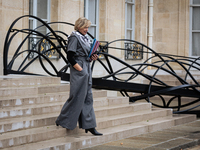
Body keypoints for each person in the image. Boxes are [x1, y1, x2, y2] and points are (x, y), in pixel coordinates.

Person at [55, 17, 103, 136]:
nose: (87, 29)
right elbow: (70, 57)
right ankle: (63, 120)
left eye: (88, 27)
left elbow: (86, 56)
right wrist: (81, 70)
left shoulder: (86, 38)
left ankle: (90, 126)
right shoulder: (74, 37)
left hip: (86, 67)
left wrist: (92, 57)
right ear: (79, 26)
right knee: (76, 96)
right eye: (85, 27)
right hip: (79, 69)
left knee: (88, 97)